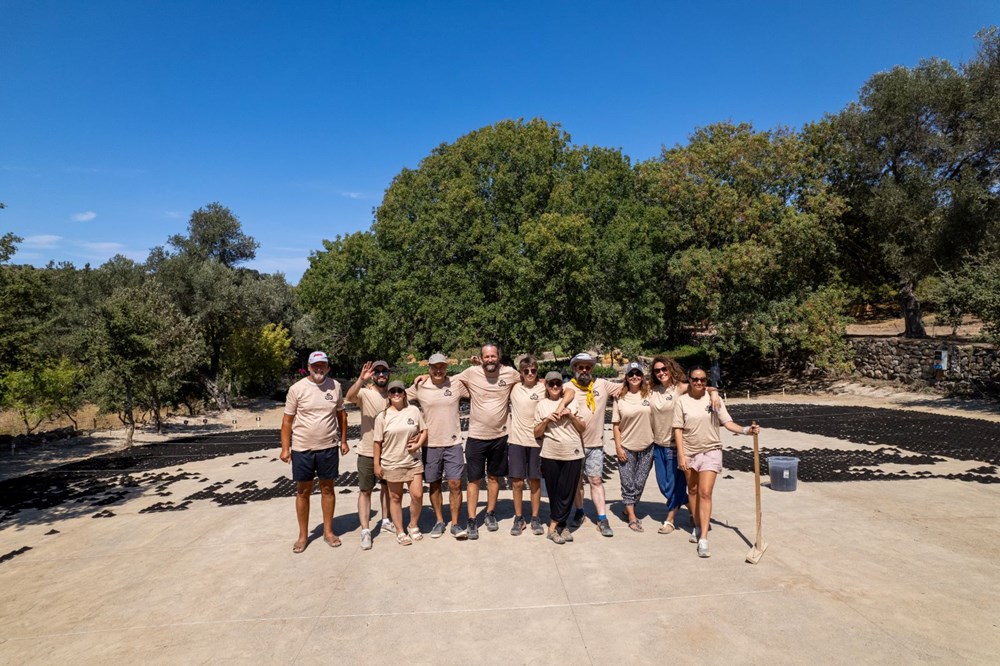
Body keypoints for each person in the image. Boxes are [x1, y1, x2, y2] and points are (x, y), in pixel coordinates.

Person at [673, 366, 759, 558]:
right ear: (689, 380)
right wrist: (680, 454)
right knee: (693, 490)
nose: (699, 382)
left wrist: (746, 430)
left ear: (707, 381)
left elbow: (727, 423)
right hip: (689, 451)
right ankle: (696, 524)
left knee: (705, 492)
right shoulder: (682, 402)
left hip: (711, 450)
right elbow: (678, 429)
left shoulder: (715, 400)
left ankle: (703, 538)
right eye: (695, 379)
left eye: (703, 379)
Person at [280, 351, 349, 553]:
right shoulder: (297, 389)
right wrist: (285, 448)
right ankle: (303, 536)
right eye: (315, 365)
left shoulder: (335, 386)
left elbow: (341, 416)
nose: (319, 369)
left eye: (323, 365)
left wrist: (343, 441)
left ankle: (328, 532)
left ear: (328, 367)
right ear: (309, 367)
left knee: (328, 489)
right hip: (303, 449)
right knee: (303, 491)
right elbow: (287, 421)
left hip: (328, 447)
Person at [451, 343, 520, 539]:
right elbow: (444, 381)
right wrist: (424, 379)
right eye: (486, 357)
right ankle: (472, 519)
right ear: (481, 358)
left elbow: (529, 379)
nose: (490, 359)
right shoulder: (471, 373)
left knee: (494, 477)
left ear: (499, 357)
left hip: (500, 436)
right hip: (476, 437)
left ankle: (490, 513)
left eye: (493, 356)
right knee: (474, 480)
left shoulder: (510, 373)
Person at [649, 355, 721, 535]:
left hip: (676, 444)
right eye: (657, 370)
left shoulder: (680, 388)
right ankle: (693, 509)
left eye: (664, 369)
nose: (661, 373)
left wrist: (714, 393)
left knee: (675, 484)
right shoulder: (651, 389)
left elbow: (704, 386)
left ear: (671, 369)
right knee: (664, 484)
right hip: (658, 443)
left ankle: (670, 519)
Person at [406, 353, 470, 539]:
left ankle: (456, 524)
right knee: (433, 485)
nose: (438, 370)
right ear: (429, 368)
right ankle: (440, 521)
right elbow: (398, 397)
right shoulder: (420, 386)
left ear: (446, 367)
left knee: (455, 484)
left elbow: (479, 387)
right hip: (429, 444)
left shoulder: (455, 384)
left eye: (442, 366)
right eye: (434, 367)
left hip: (453, 443)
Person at [507, 355, 572, 536]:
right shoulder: (514, 388)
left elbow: (569, 392)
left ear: (537, 372)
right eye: (526, 371)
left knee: (535, 481)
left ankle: (535, 518)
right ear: (520, 372)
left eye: (533, 371)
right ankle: (519, 518)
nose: (530, 374)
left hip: (537, 441)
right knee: (517, 482)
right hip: (517, 440)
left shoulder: (543, 387)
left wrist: (560, 407)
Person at [568, 352, 623, 537]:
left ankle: (602, 517)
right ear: (574, 368)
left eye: (588, 367)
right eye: (580, 367)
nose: (584, 370)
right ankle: (579, 511)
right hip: (573, 444)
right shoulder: (567, 387)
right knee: (576, 482)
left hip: (595, 444)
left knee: (596, 480)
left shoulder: (602, 385)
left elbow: (631, 387)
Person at [345, 360, 394, 550]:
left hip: (390, 451)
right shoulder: (365, 393)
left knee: (388, 488)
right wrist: (360, 379)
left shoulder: (395, 393)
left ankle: (386, 519)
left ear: (388, 374)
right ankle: (365, 530)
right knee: (365, 490)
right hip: (367, 451)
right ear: (373, 375)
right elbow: (349, 397)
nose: (381, 375)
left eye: (384, 371)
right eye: (377, 372)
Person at [534, 372, 586, 544]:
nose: (555, 387)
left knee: (568, 490)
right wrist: (546, 421)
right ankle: (562, 526)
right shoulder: (541, 405)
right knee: (555, 491)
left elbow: (582, 427)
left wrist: (570, 415)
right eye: (551, 384)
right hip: (550, 452)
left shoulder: (572, 401)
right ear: (546, 386)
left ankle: (553, 526)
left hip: (572, 451)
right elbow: (537, 433)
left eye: (558, 383)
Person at [373, 380, 428, 545]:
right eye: (392, 391)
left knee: (417, 495)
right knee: (395, 497)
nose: (396, 394)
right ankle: (400, 531)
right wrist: (377, 464)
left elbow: (424, 430)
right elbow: (377, 442)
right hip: (392, 462)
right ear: (388, 395)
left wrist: (418, 443)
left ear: (404, 393)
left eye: (399, 391)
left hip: (413, 460)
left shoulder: (413, 410)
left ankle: (413, 525)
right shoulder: (382, 417)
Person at [612, 361, 655, 532]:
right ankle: (631, 516)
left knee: (640, 482)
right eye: (631, 374)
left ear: (642, 377)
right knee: (627, 482)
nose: (635, 377)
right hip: (627, 446)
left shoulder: (649, 395)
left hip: (648, 445)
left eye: (638, 374)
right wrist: (618, 447)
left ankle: (627, 505)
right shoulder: (620, 398)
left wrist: (711, 391)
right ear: (627, 377)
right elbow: (616, 424)